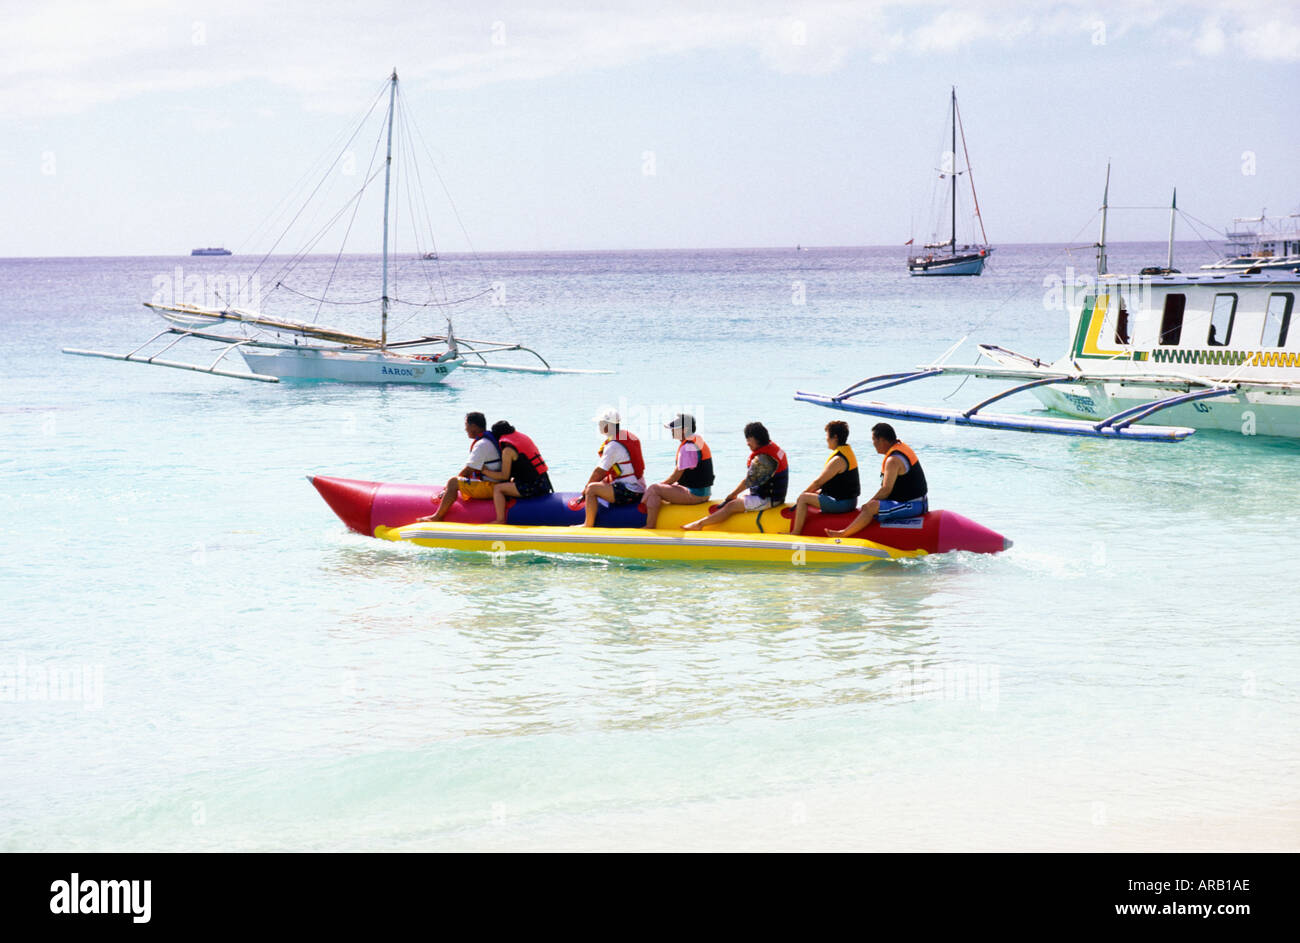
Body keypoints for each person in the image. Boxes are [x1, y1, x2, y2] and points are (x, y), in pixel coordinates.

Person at [826, 423, 927, 539]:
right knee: (872, 506)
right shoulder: (900, 448)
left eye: (874, 439)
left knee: (871, 507)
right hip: (915, 502)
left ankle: (843, 534)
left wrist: (869, 504)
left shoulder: (893, 460)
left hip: (913, 505)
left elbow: (886, 490)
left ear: (882, 440)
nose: (873, 443)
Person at [682, 422, 787, 531]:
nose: (747, 443)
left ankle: (699, 524)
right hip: (769, 494)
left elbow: (748, 481)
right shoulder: (771, 448)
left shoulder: (764, 459)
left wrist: (732, 495)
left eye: (748, 439)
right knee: (735, 500)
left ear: (756, 438)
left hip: (769, 499)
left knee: (731, 506)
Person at [417, 411, 501, 522]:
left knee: (453, 482)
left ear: (473, 426)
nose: (465, 429)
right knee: (457, 481)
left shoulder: (482, 444)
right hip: (496, 485)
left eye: (466, 425)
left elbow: (467, 471)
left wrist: (448, 488)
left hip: (491, 487)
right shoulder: (487, 441)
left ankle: (437, 517)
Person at [575, 409, 647, 527]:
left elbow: (599, 472)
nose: (598, 426)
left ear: (607, 426)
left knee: (592, 489)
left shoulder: (613, 446)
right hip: (639, 487)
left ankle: (588, 524)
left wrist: (585, 489)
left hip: (629, 492)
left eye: (600, 423)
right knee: (600, 483)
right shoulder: (626, 437)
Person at [641, 413, 713, 528]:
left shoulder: (687, 447)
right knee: (659, 490)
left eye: (674, 428)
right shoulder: (697, 440)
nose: (672, 431)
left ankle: (649, 525)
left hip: (695, 495)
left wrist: (658, 487)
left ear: (684, 430)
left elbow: (676, 476)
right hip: (705, 493)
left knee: (654, 489)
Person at [788, 420, 859, 535]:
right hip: (849, 500)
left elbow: (818, 482)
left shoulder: (838, 460)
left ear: (835, 437)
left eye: (827, 436)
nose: (826, 439)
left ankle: (795, 532)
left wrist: (802, 495)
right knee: (814, 493)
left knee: (803, 498)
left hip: (843, 504)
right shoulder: (847, 452)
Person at [489, 420, 554, 523]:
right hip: (544, 483)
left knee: (498, 489)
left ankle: (500, 519)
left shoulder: (507, 450)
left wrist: (484, 471)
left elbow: (504, 476)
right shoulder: (522, 438)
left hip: (533, 486)